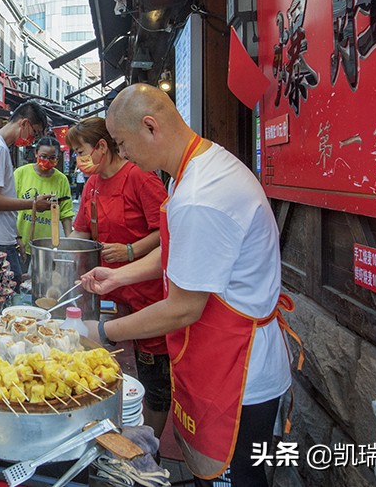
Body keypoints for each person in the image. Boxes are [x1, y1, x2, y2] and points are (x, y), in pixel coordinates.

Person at [80, 84, 294, 486]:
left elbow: (183, 307)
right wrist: (119, 276)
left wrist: (100, 331)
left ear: (150, 127)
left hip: (239, 372)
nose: (122, 154)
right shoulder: (193, 169)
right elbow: (185, 253)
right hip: (216, 358)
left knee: (234, 479)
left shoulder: (200, 194)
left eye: (123, 143)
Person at [66, 116, 169, 437]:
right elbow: (80, 231)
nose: (78, 159)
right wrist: (58, 260)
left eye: (81, 150)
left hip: (147, 294)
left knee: (154, 378)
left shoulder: (140, 177)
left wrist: (129, 250)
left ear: (101, 147)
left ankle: (148, 445)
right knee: (104, 372)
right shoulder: (93, 184)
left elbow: (166, 231)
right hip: (107, 293)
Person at [0, 100, 52, 283]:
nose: (32, 140)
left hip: (0, 236)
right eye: (34, 133)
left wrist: (16, 235)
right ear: (24, 123)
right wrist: (33, 204)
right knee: (4, 298)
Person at [14, 136, 74, 265]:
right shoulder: (20, 174)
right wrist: (16, 237)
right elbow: (10, 209)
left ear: (58, 158)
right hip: (22, 242)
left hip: (48, 246)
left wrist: (71, 243)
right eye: (43, 156)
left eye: (52, 157)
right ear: (36, 153)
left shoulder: (61, 180)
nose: (47, 160)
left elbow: (66, 214)